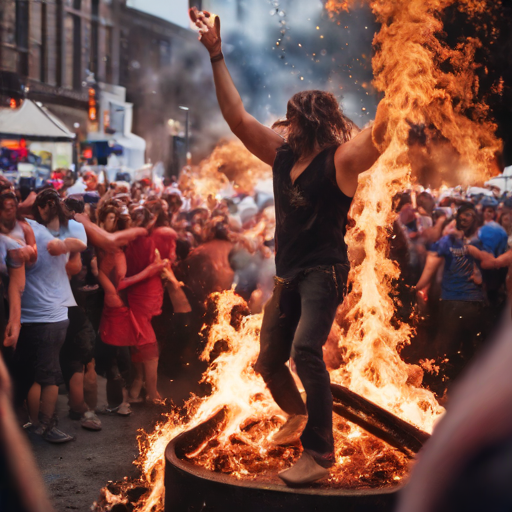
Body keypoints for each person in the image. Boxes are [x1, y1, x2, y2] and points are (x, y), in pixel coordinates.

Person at [189, 7, 388, 485]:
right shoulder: (281, 159)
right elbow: (237, 117)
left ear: (311, 122)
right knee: (268, 361)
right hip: (288, 275)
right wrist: (216, 55)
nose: (284, 124)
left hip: (325, 272)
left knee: (306, 350)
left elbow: (377, 140)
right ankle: (296, 415)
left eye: (293, 118)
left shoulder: (339, 161)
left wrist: (399, 90)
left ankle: (319, 455)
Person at [13, 188, 87, 443]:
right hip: (51, 316)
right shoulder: (63, 232)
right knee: (48, 375)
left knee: (40, 375)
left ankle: (40, 424)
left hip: (34, 316)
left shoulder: (26, 230)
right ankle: (43, 425)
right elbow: (80, 247)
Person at [415, 203, 493, 398]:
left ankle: (460, 392)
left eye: (470, 215)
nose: (466, 218)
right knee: (451, 349)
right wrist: (416, 287)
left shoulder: (480, 243)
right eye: (463, 215)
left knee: (461, 350)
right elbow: (430, 268)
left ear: (476, 220)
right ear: (457, 217)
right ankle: (443, 391)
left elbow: (490, 267)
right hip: (453, 303)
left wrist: (481, 277)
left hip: (472, 304)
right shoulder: (446, 241)